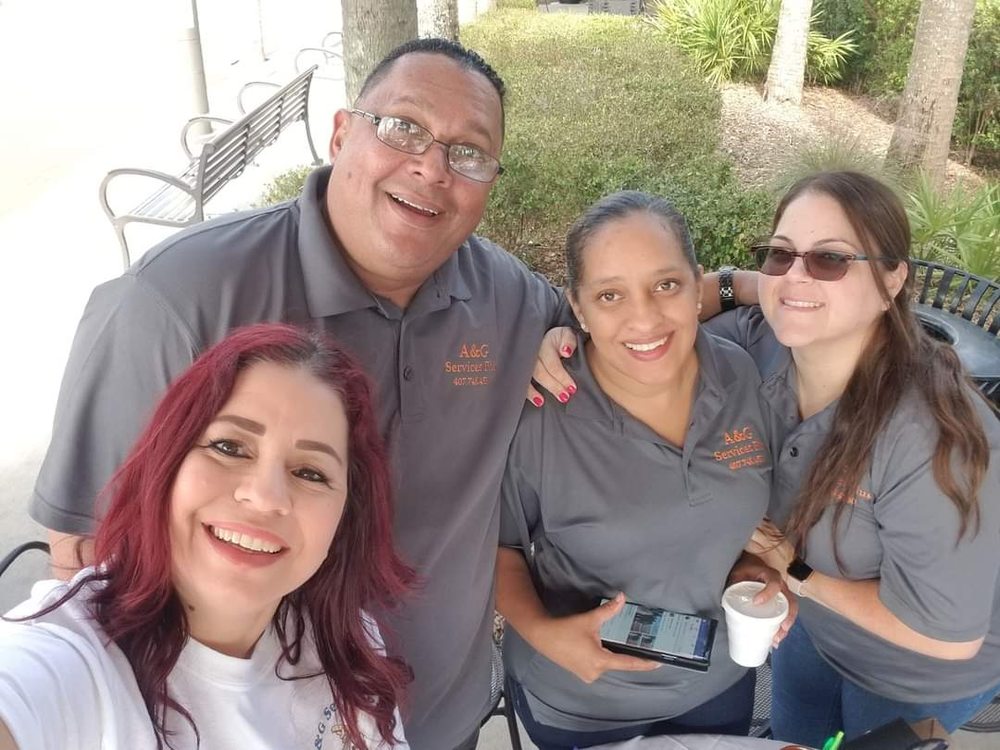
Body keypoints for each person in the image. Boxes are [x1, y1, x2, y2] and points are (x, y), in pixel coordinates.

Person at [29, 38, 567, 750]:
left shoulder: (509, 301)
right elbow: (87, 555)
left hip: (438, 720)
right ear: (342, 134)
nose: (432, 167)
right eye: (403, 127)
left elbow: (633, 325)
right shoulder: (178, 299)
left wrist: (713, 294)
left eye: (469, 153)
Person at [0, 323, 412, 749]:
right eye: (229, 447)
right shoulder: (70, 662)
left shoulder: (344, 640)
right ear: (167, 460)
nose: (265, 497)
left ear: (347, 514)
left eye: (310, 472)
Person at [704, 171, 1000, 746]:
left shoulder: (935, 437)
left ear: (892, 279)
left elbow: (946, 637)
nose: (795, 275)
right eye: (780, 254)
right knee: (794, 737)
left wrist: (795, 571)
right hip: (814, 632)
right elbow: (649, 323)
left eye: (830, 259)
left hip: (914, 674)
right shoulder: (760, 348)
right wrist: (724, 284)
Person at [496, 191, 792, 750]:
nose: (644, 318)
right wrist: (543, 634)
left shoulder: (739, 375)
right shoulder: (540, 410)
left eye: (666, 285)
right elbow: (496, 545)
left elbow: (732, 518)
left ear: (697, 285)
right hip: (583, 701)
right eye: (610, 295)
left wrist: (753, 569)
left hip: (717, 684)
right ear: (578, 307)